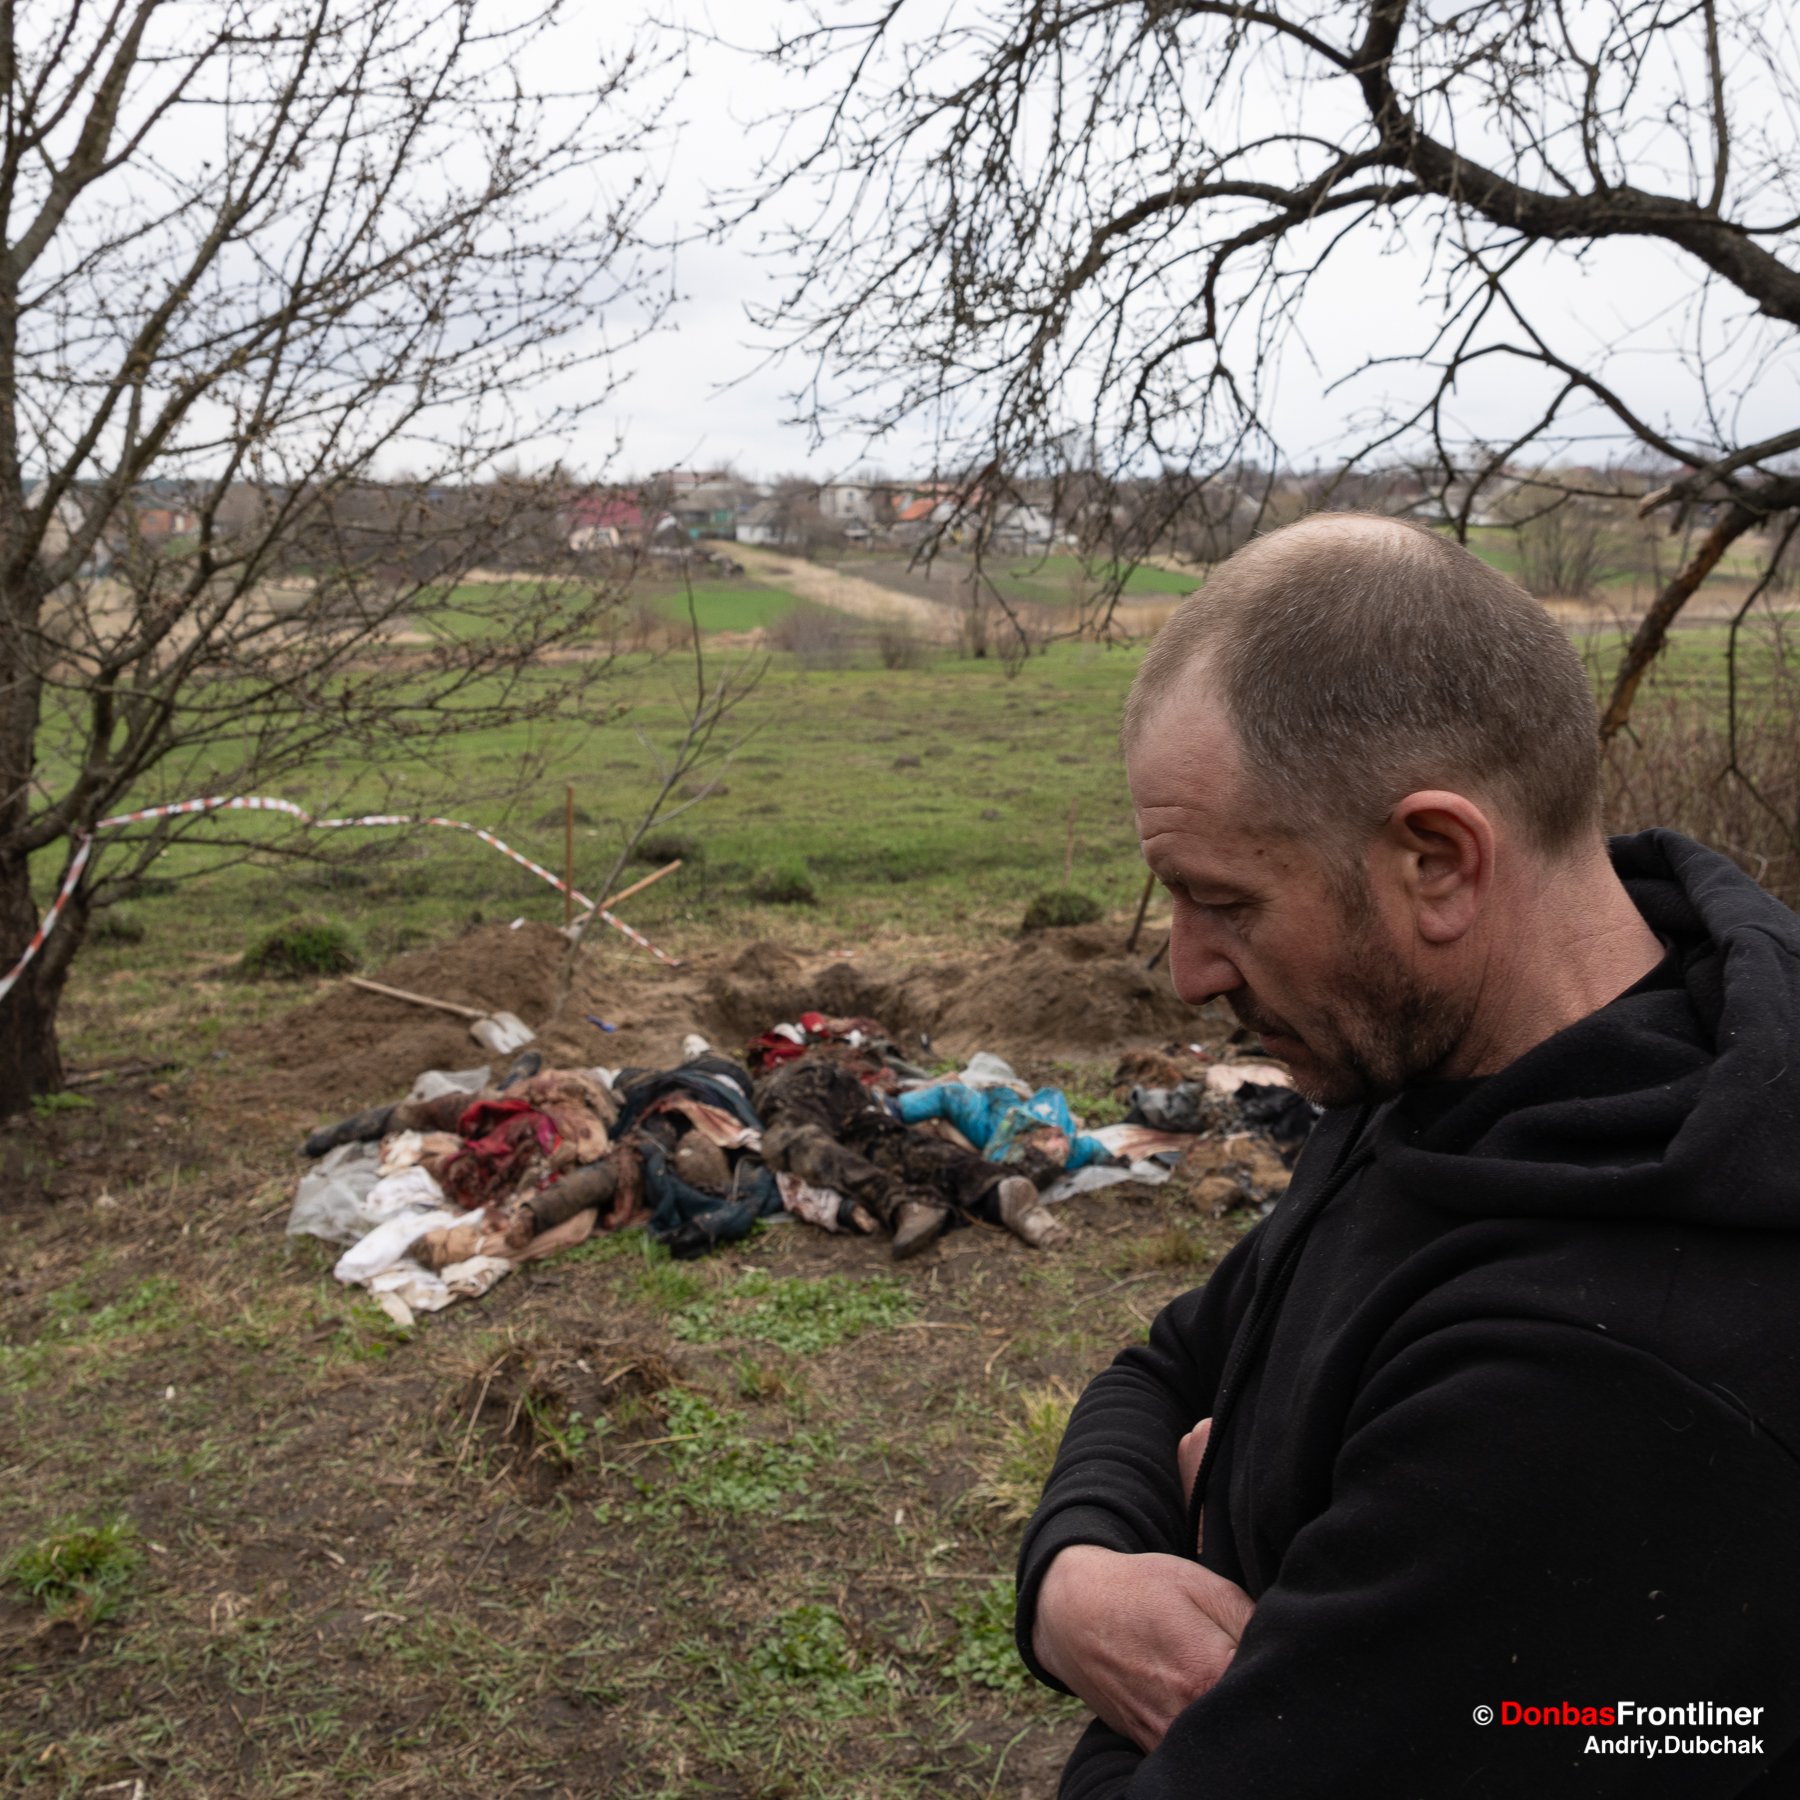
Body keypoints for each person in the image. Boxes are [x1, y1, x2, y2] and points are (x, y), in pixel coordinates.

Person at [1014, 514, 1800, 1797]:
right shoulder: (1446, 1068)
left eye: (1226, 900)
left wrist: (1196, 1645)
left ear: (1436, 861)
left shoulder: (1598, 1374)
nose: (1186, 968)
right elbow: (1173, 1363)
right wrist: (1081, 1578)